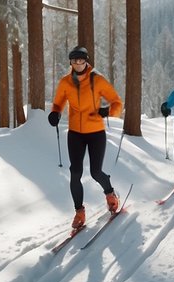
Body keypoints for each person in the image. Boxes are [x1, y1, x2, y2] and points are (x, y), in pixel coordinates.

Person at [48, 46, 124, 229]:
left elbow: (117, 102)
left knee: (96, 172)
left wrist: (108, 111)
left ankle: (110, 194)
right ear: (71, 63)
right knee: (75, 172)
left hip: (96, 132)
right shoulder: (65, 82)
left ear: (86, 61)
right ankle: (79, 212)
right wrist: (55, 113)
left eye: (81, 60)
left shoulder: (97, 80)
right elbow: (58, 103)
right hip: (75, 133)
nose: (78, 64)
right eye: (74, 61)